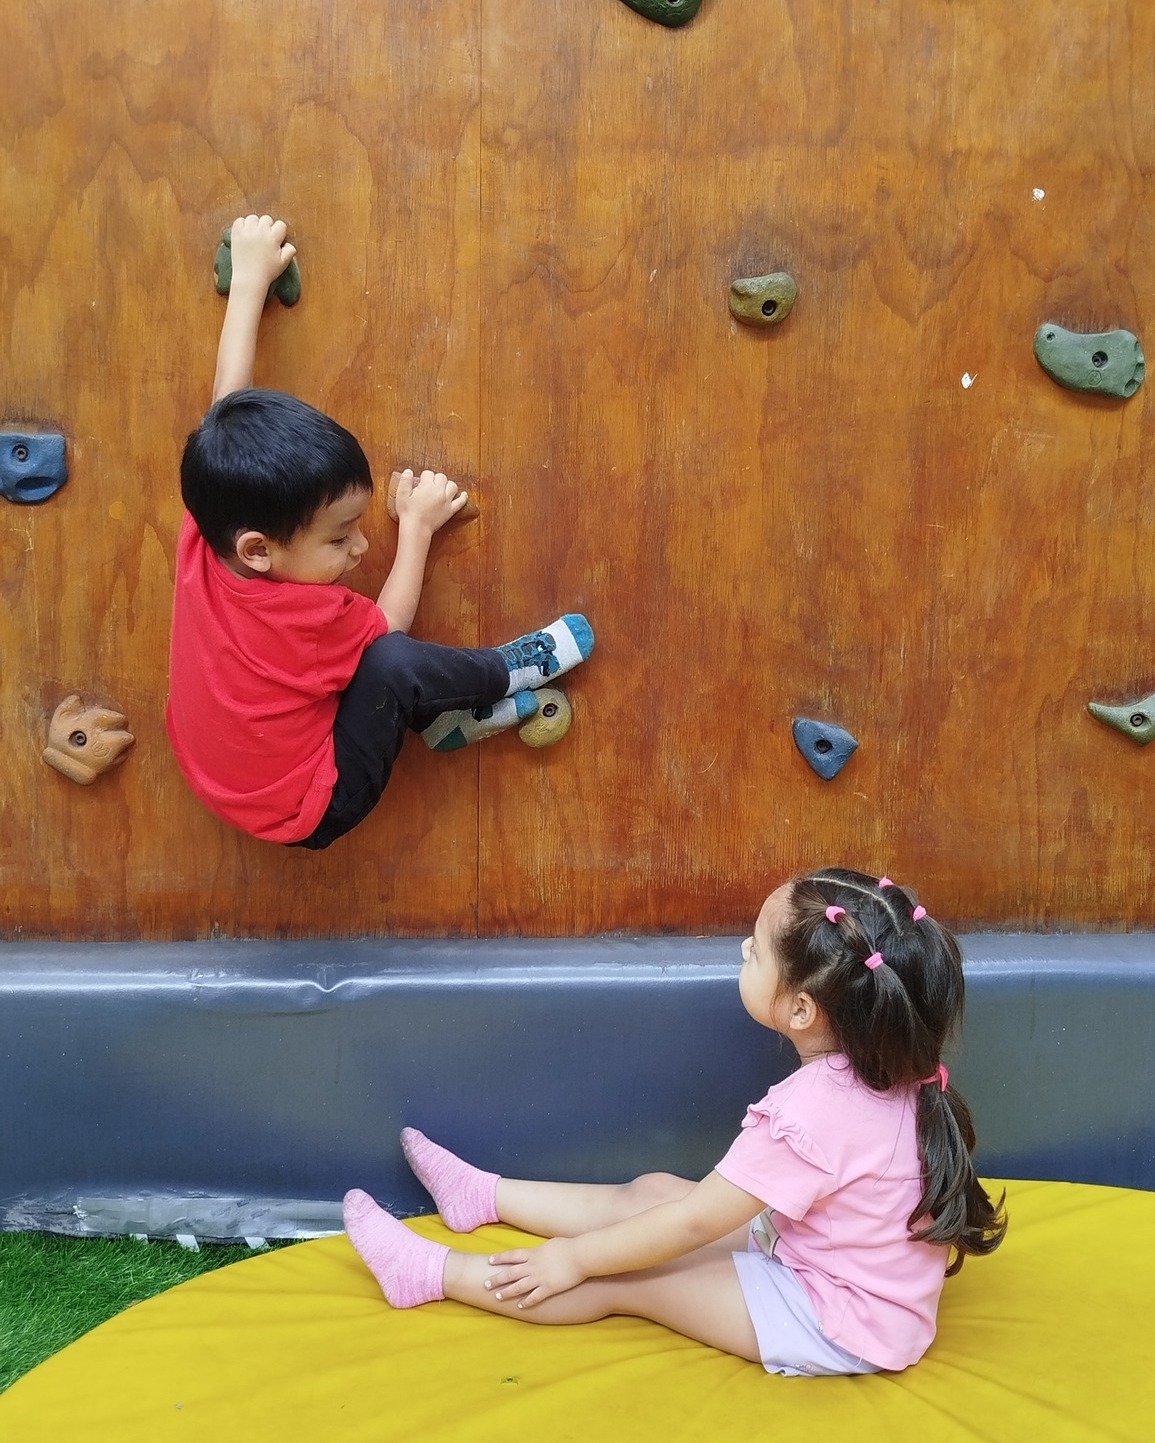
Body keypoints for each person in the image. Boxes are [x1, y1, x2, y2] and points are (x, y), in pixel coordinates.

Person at [342, 867, 1007, 1375]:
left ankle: (432, 1273)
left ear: (801, 1010)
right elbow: (687, 1208)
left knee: (626, 1276)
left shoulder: (809, 1112)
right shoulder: (887, 1068)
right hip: (827, 1264)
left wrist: (571, 1258)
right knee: (654, 1190)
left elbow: (695, 1224)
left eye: (755, 952)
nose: (744, 945)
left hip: (841, 1322)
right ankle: (481, 1194)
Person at [167, 215, 593, 848]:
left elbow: (228, 403)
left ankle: (450, 719)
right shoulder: (303, 615)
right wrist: (417, 527)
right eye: (339, 541)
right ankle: (506, 673)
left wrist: (250, 281)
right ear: (258, 548)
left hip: (219, 779)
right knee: (393, 666)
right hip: (309, 810)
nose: (359, 548)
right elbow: (388, 640)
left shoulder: (212, 526)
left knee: (374, 683)